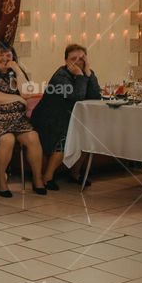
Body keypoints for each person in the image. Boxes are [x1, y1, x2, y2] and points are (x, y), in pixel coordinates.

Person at [0, 41, 46, 197]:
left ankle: (37, 179)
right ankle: (1, 180)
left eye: (8, 53)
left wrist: (17, 69)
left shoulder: (15, 73)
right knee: (7, 139)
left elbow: (27, 93)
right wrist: (17, 99)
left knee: (33, 137)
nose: (4, 57)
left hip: (17, 121)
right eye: (0, 53)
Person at [30, 44, 102, 190]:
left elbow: (95, 96)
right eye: (73, 59)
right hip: (49, 120)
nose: (77, 62)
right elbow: (77, 96)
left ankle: (75, 173)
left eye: (81, 59)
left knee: (87, 137)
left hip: (69, 118)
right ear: (65, 61)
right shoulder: (60, 76)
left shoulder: (86, 72)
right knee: (65, 138)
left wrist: (88, 72)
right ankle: (47, 177)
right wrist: (81, 76)